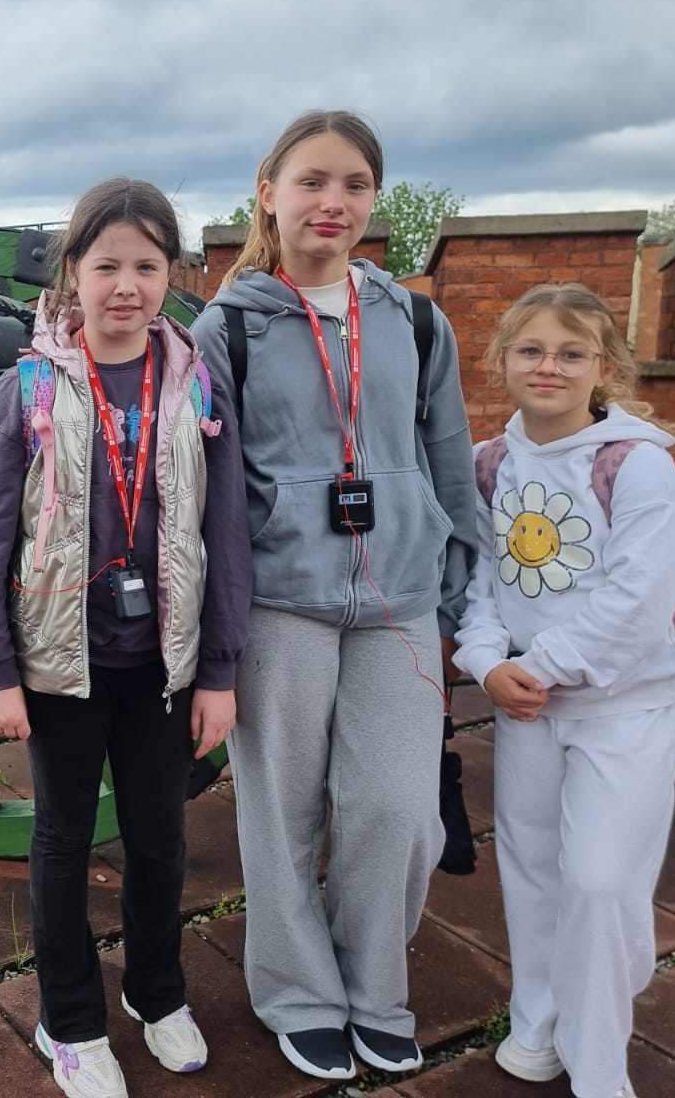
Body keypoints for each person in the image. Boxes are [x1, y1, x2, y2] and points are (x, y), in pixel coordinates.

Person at [0, 177, 250, 1098]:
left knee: (159, 840)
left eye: (147, 266)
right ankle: (70, 1020)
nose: (127, 286)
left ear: (170, 274)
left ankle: (158, 994)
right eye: (106, 265)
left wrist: (220, 669)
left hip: (163, 665)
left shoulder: (197, 385)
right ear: (72, 272)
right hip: (59, 668)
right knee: (63, 842)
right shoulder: (26, 390)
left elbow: (225, 531)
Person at [189, 110, 476, 1081]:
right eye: (312, 181)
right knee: (282, 814)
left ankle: (374, 987)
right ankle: (299, 993)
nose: (332, 202)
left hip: (400, 600)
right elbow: (210, 491)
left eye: (354, 184)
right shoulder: (227, 328)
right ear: (267, 192)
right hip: (280, 602)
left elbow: (448, 462)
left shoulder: (415, 321)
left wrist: (458, 593)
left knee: (398, 808)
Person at [453, 283, 675, 1098]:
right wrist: (486, 661)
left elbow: (636, 603)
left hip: (624, 708)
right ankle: (539, 1022)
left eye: (571, 353)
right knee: (532, 870)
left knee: (600, 879)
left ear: (605, 367)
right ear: (502, 360)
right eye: (531, 350)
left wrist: (543, 666)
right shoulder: (489, 463)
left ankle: (599, 1065)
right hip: (526, 706)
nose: (548, 367)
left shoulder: (640, 467)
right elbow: (482, 581)